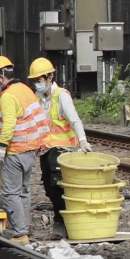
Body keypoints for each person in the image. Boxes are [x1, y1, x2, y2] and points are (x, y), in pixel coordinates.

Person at [0, 55, 50, 245]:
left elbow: (9, 125)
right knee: (23, 191)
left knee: (10, 193)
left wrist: (1, 148)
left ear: (0, 76)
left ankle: (20, 233)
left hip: (15, 152)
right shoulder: (25, 90)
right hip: (31, 151)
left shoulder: (8, 96)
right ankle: (24, 228)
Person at [28, 57, 90, 219]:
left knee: (58, 185)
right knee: (49, 186)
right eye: (34, 80)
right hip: (45, 150)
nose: (37, 83)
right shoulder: (37, 97)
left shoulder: (61, 96)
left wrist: (82, 140)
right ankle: (62, 217)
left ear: (50, 78)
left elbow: (74, 119)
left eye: (39, 80)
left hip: (62, 150)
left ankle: (62, 220)